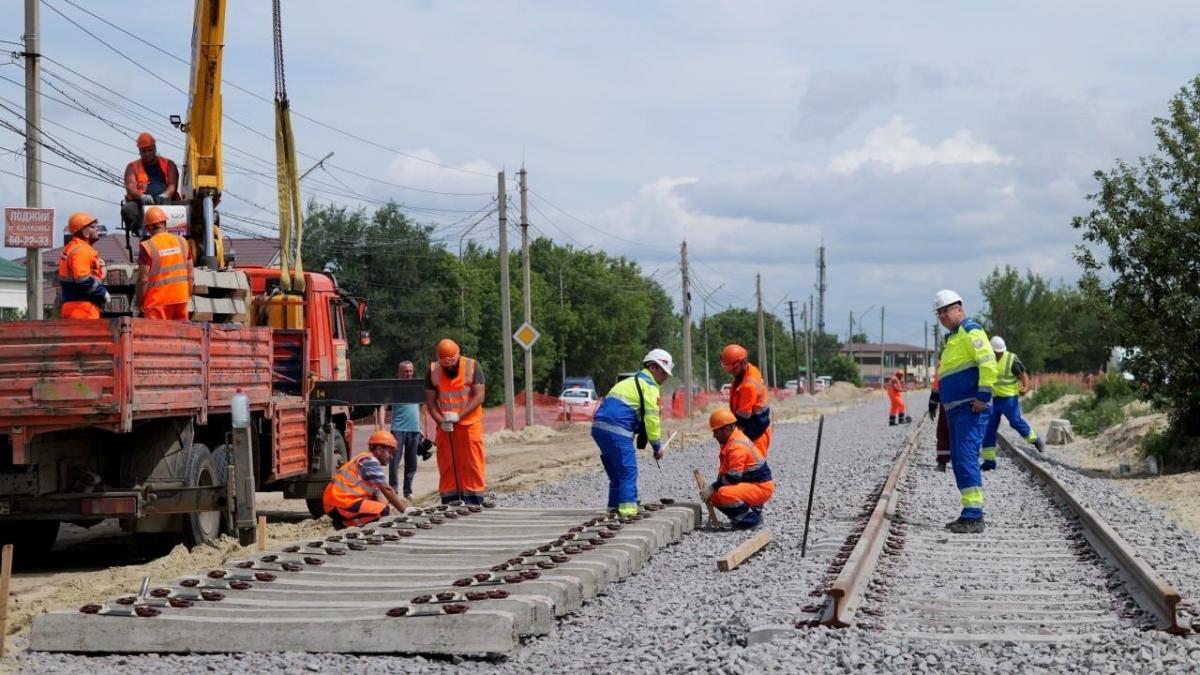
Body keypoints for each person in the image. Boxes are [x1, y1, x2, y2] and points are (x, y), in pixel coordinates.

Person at [934, 289, 997, 534]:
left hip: (970, 408)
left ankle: (974, 515)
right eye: (939, 313)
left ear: (959, 309)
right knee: (960, 459)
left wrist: (983, 397)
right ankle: (969, 512)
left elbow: (988, 363)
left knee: (967, 458)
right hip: (956, 410)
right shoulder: (952, 339)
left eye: (946, 311)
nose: (942, 317)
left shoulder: (971, 331)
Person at [591, 349, 673, 517]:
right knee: (628, 470)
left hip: (599, 428)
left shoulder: (629, 382)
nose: (665, 378)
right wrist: (657, 446)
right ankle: (628, 511)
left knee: (617, 472)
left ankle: (614, 508)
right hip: (618, 430)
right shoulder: (649, 386)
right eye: (663, 373)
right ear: (653, 367)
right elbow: (651, 419)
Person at [423, 339, 487, 505]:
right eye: (445, 365)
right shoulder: (432, 371)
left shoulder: (472, 366)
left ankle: (474, 498)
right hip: (445, 426)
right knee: (447, 462)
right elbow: (430, 402)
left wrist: (459, 415)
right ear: (440, 360)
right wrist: (440, 422)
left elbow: (479, 396)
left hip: (469, 423)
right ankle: (450, 498)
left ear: (457, 356)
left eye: (452, 364)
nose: (449, 368)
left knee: (472, 461)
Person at [700, 409, 775, 529]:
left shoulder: (737, 446)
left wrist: (712, 487)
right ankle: (751, 512)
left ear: (727, 428)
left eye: (716, 431)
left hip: (761, 487)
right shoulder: (731, 441)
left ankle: (751, 520)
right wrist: (712, 490)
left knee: (724, 493)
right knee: (714, 496)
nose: (714, 435)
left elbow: (733, 477)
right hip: (752, 484)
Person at [980, 336, 1045, 470]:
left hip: (1009, 399)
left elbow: (1023, 375)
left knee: (1015, 422)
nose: (998, 355)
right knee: (989, 428)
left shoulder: (1011, 359)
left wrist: (1025, 387)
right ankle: (989, 462)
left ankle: (1034, 440)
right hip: (993, 399)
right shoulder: (986, 359)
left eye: (1000, 352)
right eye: (996, 353)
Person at [322, 430, 409, 529]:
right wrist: (404, 510)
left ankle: (347, 523)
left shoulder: (365, 458)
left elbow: (377, 494)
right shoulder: (370, 461)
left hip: (336, 502)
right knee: (383, 510)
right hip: (339, 503)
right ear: (379, 449)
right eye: (390, 452)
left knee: (382, 508)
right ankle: (345, 524)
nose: (391, 456)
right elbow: (386, 489)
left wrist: (389, 509)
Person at [134, 206, 193, 320]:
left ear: (149, 227)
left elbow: (143, 280)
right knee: (180, 336)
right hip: (180, 300)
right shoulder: (182, 242)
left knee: (158, 337)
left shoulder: (147, 246)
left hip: (157, 303)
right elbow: (190, 276)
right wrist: (187, 296)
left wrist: (138, 304)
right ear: (164, 223)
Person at [121, 132, 180, 236]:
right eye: (144, 151)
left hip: (165, 203)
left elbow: (172, 185)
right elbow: (130, 187)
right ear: (139, 151)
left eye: (150, 150)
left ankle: (174, 231)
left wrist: (166, 195)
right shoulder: (132, 167)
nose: (147, 153)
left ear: (155, 148)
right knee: (127, 209)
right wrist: (142, 196)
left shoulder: (169, 164)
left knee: (185, 209)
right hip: (142, 205)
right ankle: (142, 230)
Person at [720, 343, 772, 457]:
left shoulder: (749, 385)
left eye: (733, 369)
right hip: (750, 430)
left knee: (755, 471)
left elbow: (743, 418)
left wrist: (730, 439)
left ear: (743, 362)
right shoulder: (742, 374)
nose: (731, 372)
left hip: (757, 433)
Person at [390, 360, 431, 500]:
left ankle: (408, 491)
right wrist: (382, 429)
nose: (409, 374)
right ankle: (393, 490)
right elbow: (382, 407)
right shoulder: (393, 387)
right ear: (399, 372)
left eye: (410, 371)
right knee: (394, 460)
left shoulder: (416, 387)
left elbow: (423, 408)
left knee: (411, 461)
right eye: (406, 371)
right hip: (398, 429)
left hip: (414, 430)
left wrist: (423, 429)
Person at [57, 211, 110, 319]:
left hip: (74, 307)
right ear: (85, 233)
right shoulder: (81, 251)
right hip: (82, 309)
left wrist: (100, 270)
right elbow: (82, 278)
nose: (96, 229)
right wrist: (102, 292)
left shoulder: (73, 248)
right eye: (93, 227)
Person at [927, 364, 950, 471]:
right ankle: (965, 463)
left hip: (947, 403)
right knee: (963, 433)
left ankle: (942, 462)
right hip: (967, 402)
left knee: (943, 431)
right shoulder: (972, 355)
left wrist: (932, 405)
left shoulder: (944, 361)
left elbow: (937, 386)